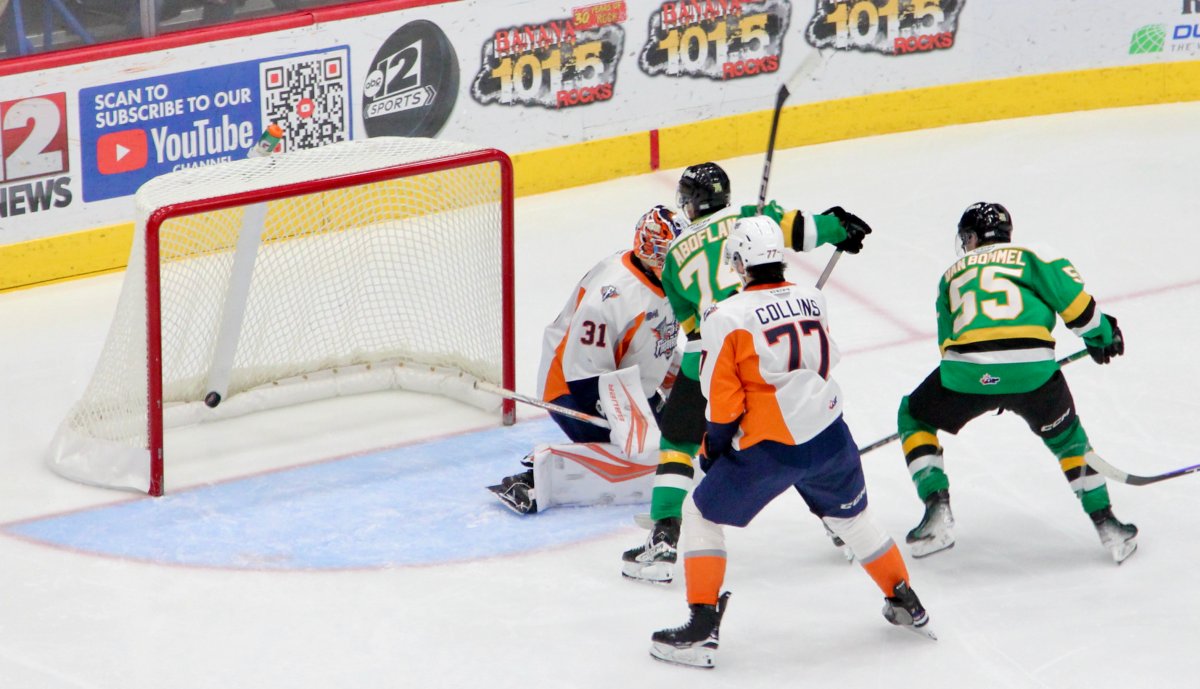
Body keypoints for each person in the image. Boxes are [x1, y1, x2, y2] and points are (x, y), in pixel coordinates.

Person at [648, 216, 933, 669]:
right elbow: (829, 355)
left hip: (771, 446)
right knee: (853, 518)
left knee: (698, 513)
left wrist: (716, 444)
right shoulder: (813, 297)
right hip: (830, 434)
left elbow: (722, 400)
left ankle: (702, 626)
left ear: (740, 263)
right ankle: (905, 598)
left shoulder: (725, 316)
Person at [621, 161, 872, 582]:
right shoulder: (755, 219)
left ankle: (664, 537)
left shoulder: (673, 260)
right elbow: (807, 229)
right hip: (768, 349)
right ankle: (841, 524)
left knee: (678, 442)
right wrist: (840, 226)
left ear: (694, 202)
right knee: (791, 434)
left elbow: (694, 330)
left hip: (709, 356)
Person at [897, 202, 1136, 563]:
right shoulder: (1035, 255)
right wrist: (1103, 337)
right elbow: (1078, 309)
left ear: (974, 237)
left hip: (967, 373)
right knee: (1070, 440)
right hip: (1033, 375)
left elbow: (947, 344)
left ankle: (936, 510)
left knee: (914, 417)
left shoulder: (950, 274)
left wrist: (985, 381)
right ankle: (1109, 526)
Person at [489, 205, 687, 514]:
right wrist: (624, 423)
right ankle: (537, 474)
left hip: (625, 386)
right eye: (669, 255)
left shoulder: (660, 281)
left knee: (685, 438)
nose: (679, 264)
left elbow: (656, 339)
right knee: (650, 455)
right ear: (649, 251)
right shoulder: (612, 297)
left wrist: (686, 384)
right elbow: (583, 376)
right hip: (572, 388)